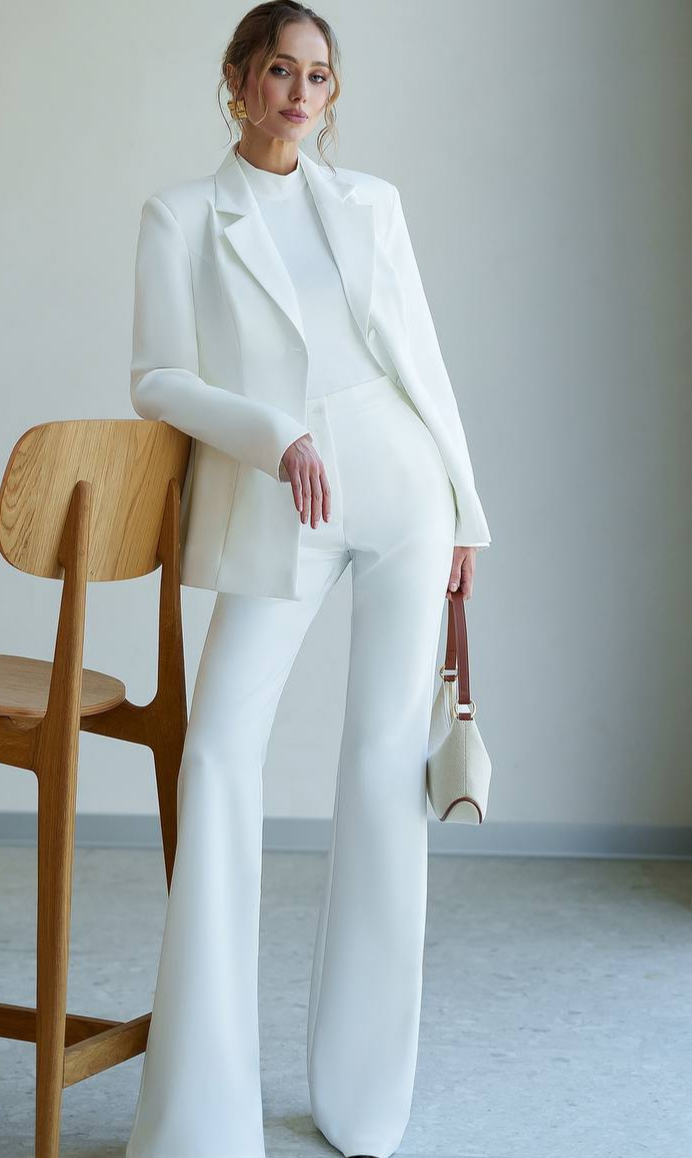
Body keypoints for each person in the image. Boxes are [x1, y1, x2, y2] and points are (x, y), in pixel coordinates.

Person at [125, 4, 492, 1157]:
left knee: (386, 775)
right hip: (286, 494)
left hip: (401, 492)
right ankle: (201, 1117)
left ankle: (362, 1106)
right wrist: (274, 434)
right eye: (277, 69)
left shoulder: (370, 204)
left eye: (318, 75)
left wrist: (465, 513)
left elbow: (419, 360)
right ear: (236, 81)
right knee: (220, 755)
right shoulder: (182, 215)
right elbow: (157, 378)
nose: (298, 91)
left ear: (332, 94)